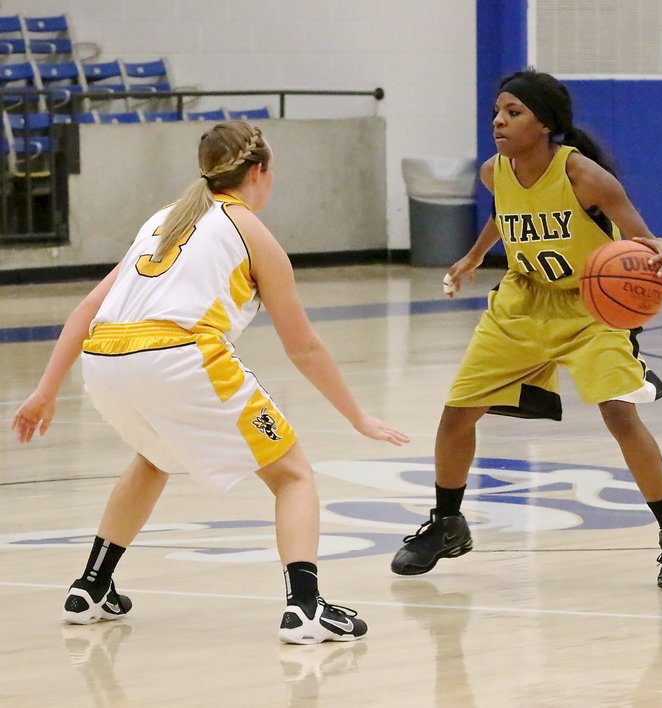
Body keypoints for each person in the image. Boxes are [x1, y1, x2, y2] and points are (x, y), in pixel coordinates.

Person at [11, 120, 410, 643]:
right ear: (260, 171)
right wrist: (358, 416)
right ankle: (307, 608)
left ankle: (90, 587)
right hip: (176, 356)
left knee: (154, 459)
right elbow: (304, 347)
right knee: (292, 474)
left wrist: (46, 389)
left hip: (105, 360)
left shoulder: (162, 221)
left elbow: (88, 308)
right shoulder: (253, 233)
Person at [390, 68, 662, 591]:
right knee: (456, 415)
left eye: (513, 113)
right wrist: (472, 256)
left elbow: (644, 239)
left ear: (546, 124)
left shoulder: (585, 177)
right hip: (522, 300)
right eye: (496, 112)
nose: (499, 122)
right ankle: (447, 524)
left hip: (588, 308)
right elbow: (504, 214)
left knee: (620, 417)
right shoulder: (495, 171)